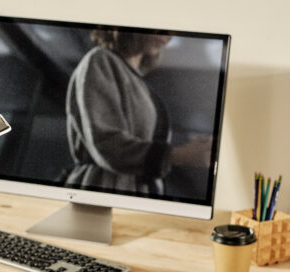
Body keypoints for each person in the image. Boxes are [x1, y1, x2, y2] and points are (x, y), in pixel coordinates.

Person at [64, 28, 210, 194]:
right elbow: (107, 144)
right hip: (103, 189)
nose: (168, 36)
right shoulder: (100, 60)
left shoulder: (135, 78)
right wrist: (180, 155)